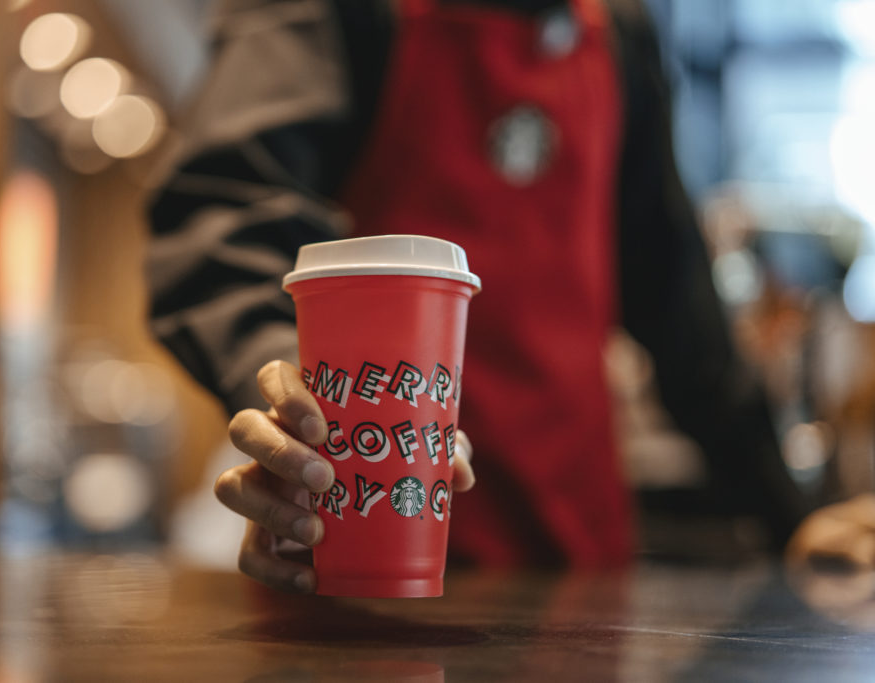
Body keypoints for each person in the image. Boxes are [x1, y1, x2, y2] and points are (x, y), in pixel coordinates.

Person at [146, 0, 875, 592]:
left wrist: (795, 516)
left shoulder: (617, 31)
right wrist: (297, 407)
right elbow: (222, 216)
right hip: (361, 560)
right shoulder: (337, 14)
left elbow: (679, 308)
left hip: (579, 567)